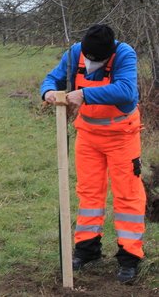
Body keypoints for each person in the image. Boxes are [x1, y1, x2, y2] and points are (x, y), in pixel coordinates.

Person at [40, 24, 146, 284]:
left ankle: (129, 258)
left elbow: (126, 91)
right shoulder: (75, 52)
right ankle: (87, 250)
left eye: (96, 61)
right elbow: (52, 78)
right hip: (87, 136)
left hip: (123, 136)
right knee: (88, 192)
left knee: (128, 196)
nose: (89, 63)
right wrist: (49, 92)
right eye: (87, 58)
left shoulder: (125, 54)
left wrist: (84, 93)